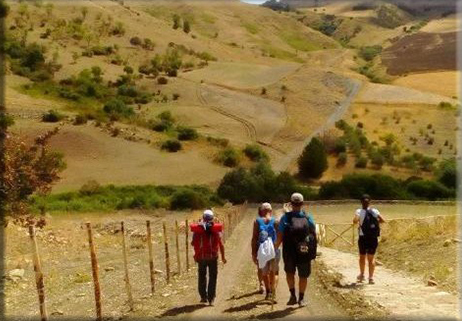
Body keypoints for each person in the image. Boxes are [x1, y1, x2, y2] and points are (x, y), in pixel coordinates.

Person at [274, 193, 317, 307]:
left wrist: (274, 249)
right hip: (304, 251)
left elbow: (279, 236)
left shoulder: (285, 218)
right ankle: (301, 299)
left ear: (291, 204)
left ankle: (292, 296)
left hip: (289, 251)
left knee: (290, 273)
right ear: (302, 204)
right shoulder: (308, 217)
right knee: (303, 275)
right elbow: (314, 234)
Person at [191, 210, 227, 305]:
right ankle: (211, 299)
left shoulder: (198, 229)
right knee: (213, 277)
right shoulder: (216, 229)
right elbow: (221, 245)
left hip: (201, 257)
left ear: (203, 217)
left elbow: (193, 243)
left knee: (202, 276)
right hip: (213, 257)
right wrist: (223, 257)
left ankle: (203, 297)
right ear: (212, 218)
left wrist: (196, 255)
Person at [353, 194, 385, 285]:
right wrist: (373, 224)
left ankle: (362, 275)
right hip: (373, 237)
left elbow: (354, 221)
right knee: (371, 258)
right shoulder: (375, 211)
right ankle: (371, 278)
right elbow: (382, 220)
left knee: (362, 257)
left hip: (363, 237)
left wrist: (360, 220)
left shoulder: (359, 211)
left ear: (361, 202)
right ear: (370, 202)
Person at [251, 202, 280, 302]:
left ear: (261, 211)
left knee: (264, 273)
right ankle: (273, 291)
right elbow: (280, 237)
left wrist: (253, 253)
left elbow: (254, 238)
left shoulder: (257, 222)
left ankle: (268, 292)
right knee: (274, 272)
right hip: (274, 249)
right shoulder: (276, 221)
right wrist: (276, 247)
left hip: (261, 250)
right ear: (270, 211)